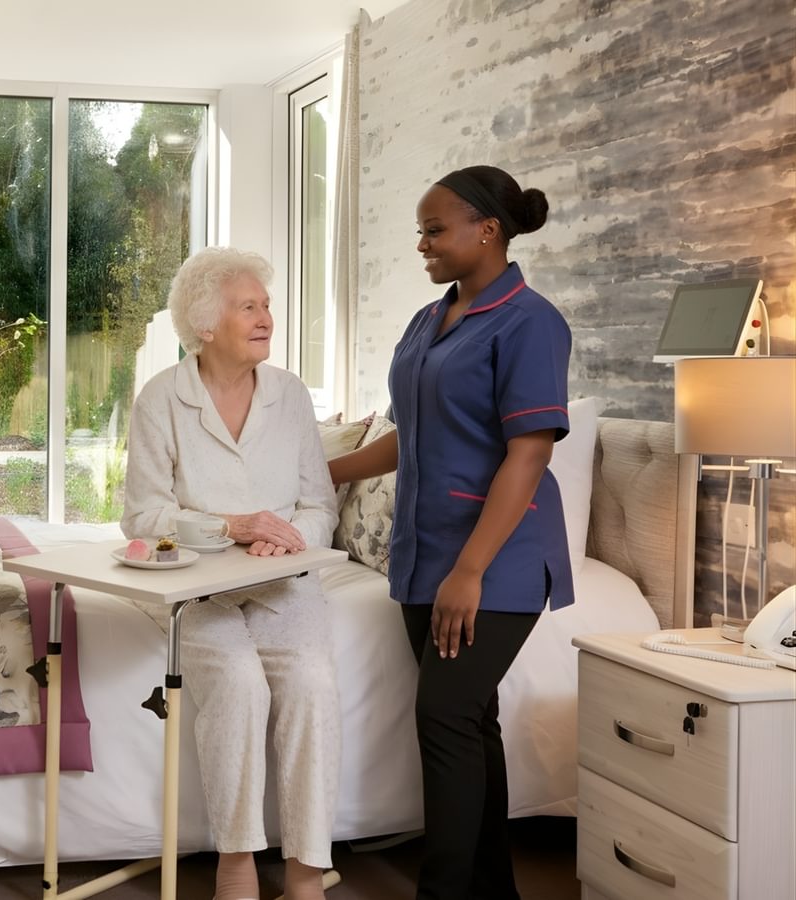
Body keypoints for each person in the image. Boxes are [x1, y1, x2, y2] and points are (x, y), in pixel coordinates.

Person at [328, 165, 571, 900]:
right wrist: (320, 470)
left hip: (496, 558)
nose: (422, 244)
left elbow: (528, 454)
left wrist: (469, 572)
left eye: (435, 229)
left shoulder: (531, 322)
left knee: (445, 715)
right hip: (423, 554)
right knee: (468, 722)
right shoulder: (428, 320)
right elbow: (409, 434)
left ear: (486, 230)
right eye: (422, 231)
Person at [122, 246, 340, 900]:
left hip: (285, 581)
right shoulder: (161, 399)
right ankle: (236, 862)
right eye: (250, 306)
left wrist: (292, 540)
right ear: (205, 323)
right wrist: (229, 528)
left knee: (311, 680)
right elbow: (141, 516)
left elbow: (319, 501)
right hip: (198, 588)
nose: (267, 316)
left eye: (266, 305)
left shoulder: (290, 395)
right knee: (240, 683)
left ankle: (307, 868)